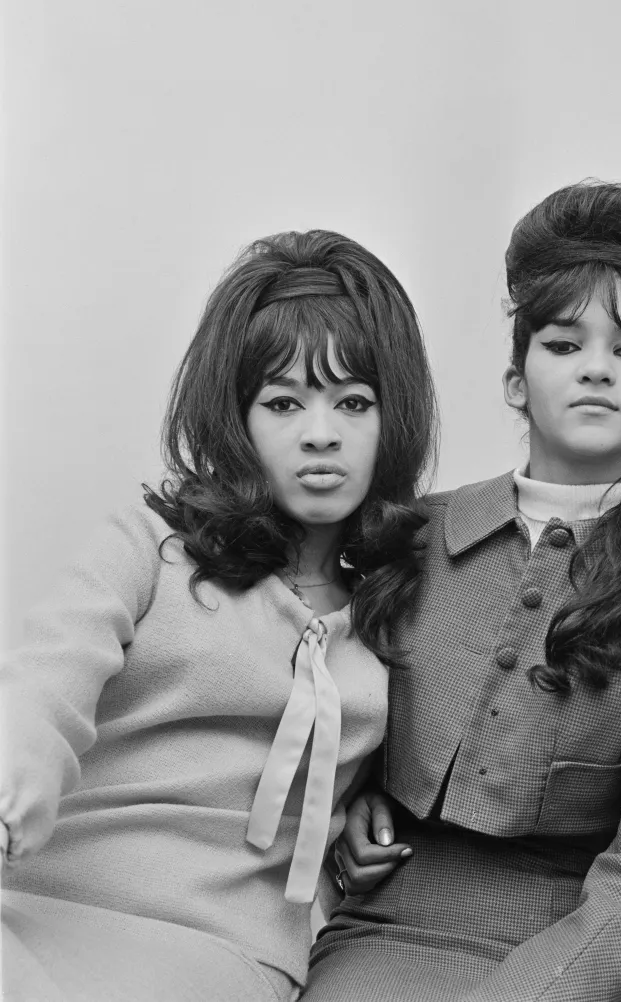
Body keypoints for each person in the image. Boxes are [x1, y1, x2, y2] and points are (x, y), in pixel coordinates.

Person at [302, 180, 621, 1002]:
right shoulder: (415, 538)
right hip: (388, 924)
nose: (598, 372)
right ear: (516, 378)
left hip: (574, 955)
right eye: (565, 344)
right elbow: (341, 706)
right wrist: (350, 810)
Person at [0, 229, 438, 1001]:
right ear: (236, 419)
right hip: (36, 907)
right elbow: (47, 681)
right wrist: (12, 781)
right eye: (282, 402)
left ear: (390, 420)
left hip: (221, 955)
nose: (320, 433)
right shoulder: (151, 547)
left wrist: (363, 812)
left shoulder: (404, 604)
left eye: (354, 402)